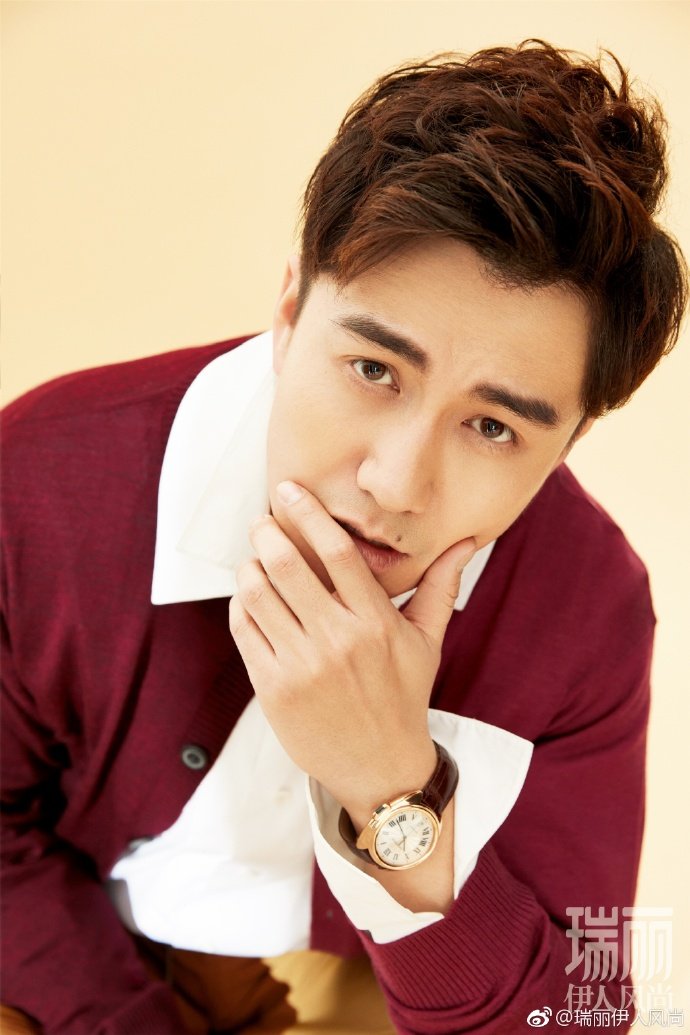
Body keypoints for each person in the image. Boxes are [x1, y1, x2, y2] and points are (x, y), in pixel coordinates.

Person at [1, 39, 686, 1035]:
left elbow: (579, 1012)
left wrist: (390, 787)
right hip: (76, 948)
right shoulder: (44, 478)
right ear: (289, 310)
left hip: (385, 983)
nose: (395, 483)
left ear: (568, 443)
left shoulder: (589, 609)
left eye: (493, 427)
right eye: (374, 370)